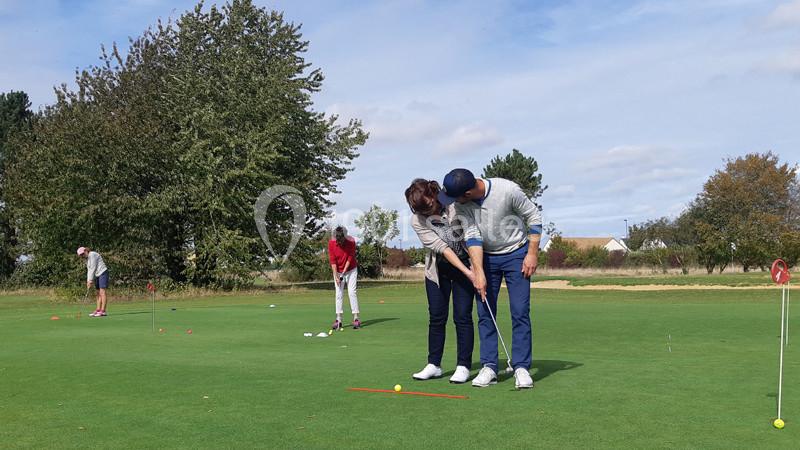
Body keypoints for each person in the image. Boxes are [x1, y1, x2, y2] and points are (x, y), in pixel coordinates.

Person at [438, 168, 542, 389]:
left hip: (516, 253)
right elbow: (473, 235)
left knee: (520, 311)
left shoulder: (508, 190)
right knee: (485, 312)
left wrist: (532, 253)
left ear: (467, 193)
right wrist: (479, 271)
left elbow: (533, 217)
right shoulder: (461, 205)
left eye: (454, 197)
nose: (452, 203)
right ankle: (489, 367)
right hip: (486, 257)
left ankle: (522, 367)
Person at [406, 179, 476, 383]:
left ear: (434, 193)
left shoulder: (455, 204)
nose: (427, 212)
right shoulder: (417, 220)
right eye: (421, 210)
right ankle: (434, 365)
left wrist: (473, 269)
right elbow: (443, 248)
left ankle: (463, 366)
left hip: (466, 262)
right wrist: (467, 272)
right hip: (438, 270)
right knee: (437, 317)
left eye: (428, 206)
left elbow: (471, 236)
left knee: (462, 316)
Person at [328, 226, 361, 330]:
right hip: (338, 271)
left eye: (341, 240)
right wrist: (336, 275)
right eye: (338, 240)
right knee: (338, 294)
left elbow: (350, 258)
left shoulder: (351, 242)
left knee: (352, 292)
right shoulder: (331, 243)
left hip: (351, 269)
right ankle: (338, 319)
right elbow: (333, 260)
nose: (340, 242)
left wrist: (343, 272)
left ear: (345, 237)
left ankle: (356, 318)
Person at [77, 247, 110, 317]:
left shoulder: (92, 254)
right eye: (81, 255)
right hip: (97, 275)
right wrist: (88, 281)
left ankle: (103, 311)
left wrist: (90, 280)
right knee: (98, 293)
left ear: (86, 251)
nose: (82, 255)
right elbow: (89, 270)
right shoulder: (87, 259)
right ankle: (98, 310)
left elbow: (93, 268)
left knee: (102, 292)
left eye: (83, 254)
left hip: (103, 273)